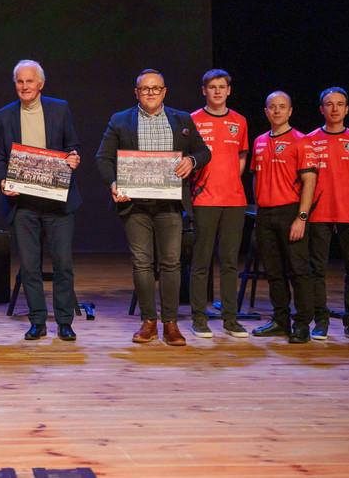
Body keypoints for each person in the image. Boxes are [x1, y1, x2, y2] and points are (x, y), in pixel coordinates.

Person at [95, 69, 210, 347]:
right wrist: (113, 183)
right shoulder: (120, 120)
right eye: (145, 89)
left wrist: (192, 161)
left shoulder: (182, 119)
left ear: (164, 91)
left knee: (171, 263)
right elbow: (103, 158)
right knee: (142, 263)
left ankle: (171, 323)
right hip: (135, 205)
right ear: (136, 93)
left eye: (156, 88)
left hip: (170, 204)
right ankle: (149, 321)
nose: (150, 93)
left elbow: (204, 151)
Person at [0, 60, 81, 341]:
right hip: (24, 204)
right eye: (19, 81)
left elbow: (72, 145)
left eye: (29, 81)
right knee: (29, 267)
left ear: (40, 84)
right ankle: (37, 321)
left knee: (63, 264)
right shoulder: (4, 116)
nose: (24, 86)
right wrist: (3, 180)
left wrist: (73, 157)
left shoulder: (60, 109)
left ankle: (64, 322)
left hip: (58, 202)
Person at [249, 91, 317, 344]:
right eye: (272, 107)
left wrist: (302, 217)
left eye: (282, 106)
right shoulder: (259, 141)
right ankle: (280, 320)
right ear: (266, 111)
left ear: (290, 111)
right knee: (274, 271)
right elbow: (256, 176)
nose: (277, 111)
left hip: (290, 212)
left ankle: (302, 324)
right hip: (265, 214)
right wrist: (259, 208)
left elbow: (310, 181)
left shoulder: (301, 141)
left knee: (298, 270)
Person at [188, 69, 250, 339]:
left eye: (221, 87)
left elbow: (241, 157)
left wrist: (231, 180)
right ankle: (199, 318)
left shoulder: (240, 121)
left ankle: (230, 319)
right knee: (201, 262)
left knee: (230, 262)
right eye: (212, 87)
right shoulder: (192, 120)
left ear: (229, 90)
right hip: (204, 200)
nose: (217, 91)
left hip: (234, 201)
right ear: (204, 90)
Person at [306, 87, 349, 341]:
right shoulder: (310, 140)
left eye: (340, 104)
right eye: (329, 104)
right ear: (321, 109)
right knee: (317, 269)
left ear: (347, 109)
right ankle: (320, 321)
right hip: (319, 213)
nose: (334, 109)